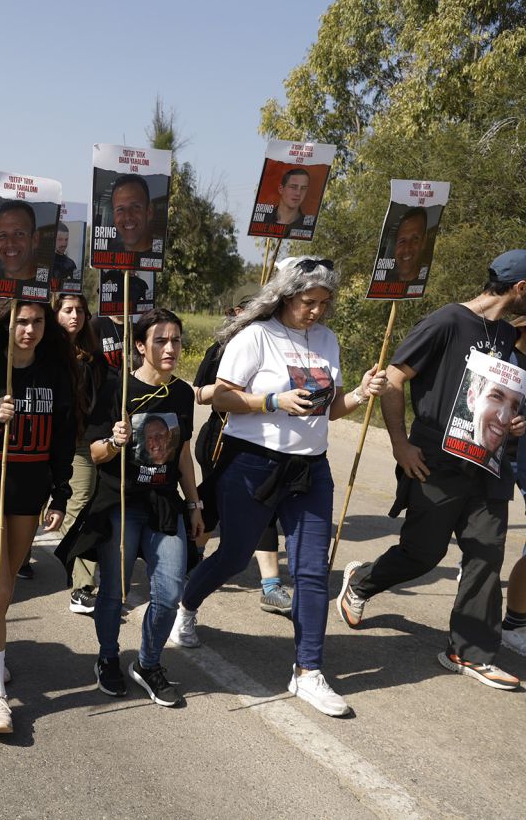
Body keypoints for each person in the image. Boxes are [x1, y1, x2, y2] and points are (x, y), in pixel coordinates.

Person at [170, 257, 384, 717]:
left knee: (310, 571)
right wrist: (273, 401)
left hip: (310, 468)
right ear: (288, 296)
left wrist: (361, 392)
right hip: (252, 463)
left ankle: (308, 671)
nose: (317, 312)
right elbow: (220, 396)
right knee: (234, 555)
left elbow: (329, 410)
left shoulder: (328, 340)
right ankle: (186, 607)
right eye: (309, 302)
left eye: (324, 304)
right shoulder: (255, 336)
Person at [338, 249, 526, 691]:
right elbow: (395, 378)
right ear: (520, 288)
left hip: (487, 462)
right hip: (433, 460)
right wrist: (401, 444)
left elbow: (501, 391)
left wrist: (515, 419)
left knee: (485, 553)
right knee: (424, 553)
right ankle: (361, 582)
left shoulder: (505, 334)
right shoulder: (446, 321)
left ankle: (469, 652)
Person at [0, 301, 77, 734]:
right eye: (22, 321)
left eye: (38, 321)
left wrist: (60, 493)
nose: (29, 329)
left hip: (29, 490)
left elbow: (63, 437)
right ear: (8, 324)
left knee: (3, 592)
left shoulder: (55, 371)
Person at [74, 308, 202, 707]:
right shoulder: (116, 389)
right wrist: (114, 441)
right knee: (114, 593)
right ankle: (108, 657)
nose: (170, 348)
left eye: (176, 340)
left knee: (169, 592)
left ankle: (147, 664)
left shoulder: (182, 393)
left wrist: (194, 505)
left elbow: (181, 455)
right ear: (139, 345)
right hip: (121, 503)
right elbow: (93, 454)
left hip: (165, 505)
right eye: (160, 340)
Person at [194, 300, 293, 615]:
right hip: (221, 439)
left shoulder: (281, 350)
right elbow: (199, 393)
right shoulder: (221, 349)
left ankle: (271, 586)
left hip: (268, 446)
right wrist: (234, 390)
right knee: (212, 505)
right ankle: (190, 564)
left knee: (264, 508)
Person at [49, 293, 102, 611]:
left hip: (79, 443)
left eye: (80, 311)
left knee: (81, 505)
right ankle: (18, 558)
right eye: (67, 310)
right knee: (31, 505)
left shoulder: (92, 356)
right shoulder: (40, 353)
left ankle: (82, 586)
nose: (75, 316)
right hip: (40, 441)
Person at [0, 201, 41, 282]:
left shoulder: (49, 284)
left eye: (19, 234)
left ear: (35, 239)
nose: (10, 243)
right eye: (2, 235)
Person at [110, 174, 154, 254]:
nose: (127, 216)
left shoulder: (164, 255)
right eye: (120, 209)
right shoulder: (109, 254)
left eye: (135, 207)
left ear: (149, 211)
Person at [386, 207, 429, 283]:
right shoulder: (386, 281)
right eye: (402, 241)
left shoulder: (431, 281)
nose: (407, 248)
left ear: (424, 241)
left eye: (415, 239)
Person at [49, 222, 78, 288]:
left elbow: (74, 287)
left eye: (66, 239)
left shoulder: (71, 264)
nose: (64, 244)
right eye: (60, 239)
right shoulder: (45, 261)